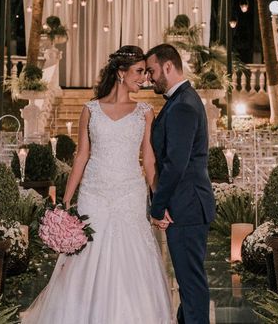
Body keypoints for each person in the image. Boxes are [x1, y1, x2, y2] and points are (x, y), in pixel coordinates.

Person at [21, 45, 173, 324]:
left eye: (145, 72)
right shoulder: (90, 109)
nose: (145, 78)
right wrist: (66, 202)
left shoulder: (145, 112)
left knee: (131, 256)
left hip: (129, 193)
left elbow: (149, 161)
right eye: (139, 72)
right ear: (120, 73)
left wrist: (159, 200)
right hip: (94, 193)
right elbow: (81, 155)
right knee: (87, 255)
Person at [145, 43, 215, 324]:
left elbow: (176, 164)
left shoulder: (183, 105)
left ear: (168, 66)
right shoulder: (180, 100)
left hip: (186, 206)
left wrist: (157, 206)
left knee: (192, 285)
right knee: (190, 284)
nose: (149, 78)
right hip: (188, 205)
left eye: (151, 71)